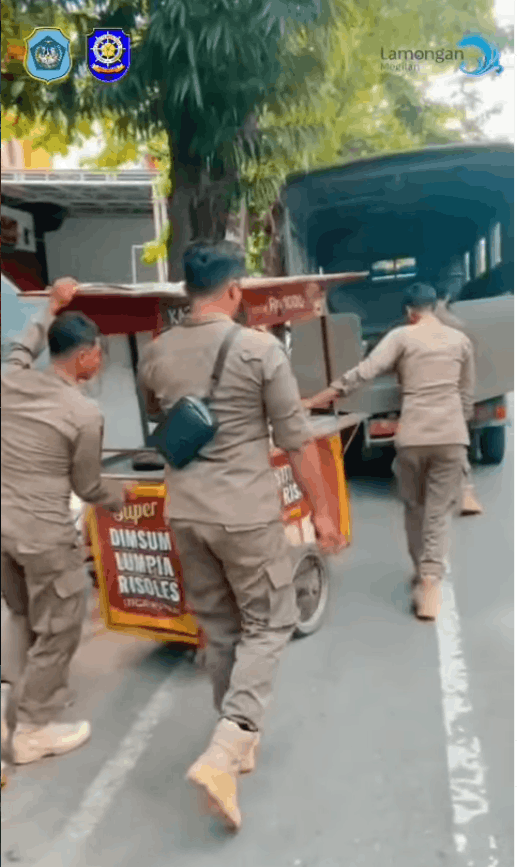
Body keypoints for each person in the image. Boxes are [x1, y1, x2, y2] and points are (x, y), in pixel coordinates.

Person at [138, 239, 345, 832]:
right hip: (245, 515)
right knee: (271, 620)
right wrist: (322, 513)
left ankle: (236, 738)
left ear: (186, 291)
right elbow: (296, 439)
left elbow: (163, 412)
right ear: (234, 291)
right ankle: (227, 749)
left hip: (185, 512)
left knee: (222, 629)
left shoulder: (155, 351)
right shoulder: (259, 350)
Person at [1, 277, 133, 766]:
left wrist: (52, 307)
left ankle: (10, 707)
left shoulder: (9, 379)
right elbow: (88, 489)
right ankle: (33, 728)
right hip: (42, 535)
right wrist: (125, 497)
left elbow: (21, 346)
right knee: (61, 625)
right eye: (99, 354)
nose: (101, 362)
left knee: (21, 614)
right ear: (84, 358)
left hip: (3, 530)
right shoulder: (82, 412)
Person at [303, 282, 476, 621]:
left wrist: (316, 399)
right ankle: (430, 578)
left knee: (414, 507)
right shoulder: (461, 341)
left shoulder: (401, 337)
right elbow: (466, 397)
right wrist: (456, 426)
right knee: (438, 512)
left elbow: (363, 373)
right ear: (435, 307)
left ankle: (420, 572)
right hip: (452, 438)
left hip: (412, 438)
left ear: (409, 313)